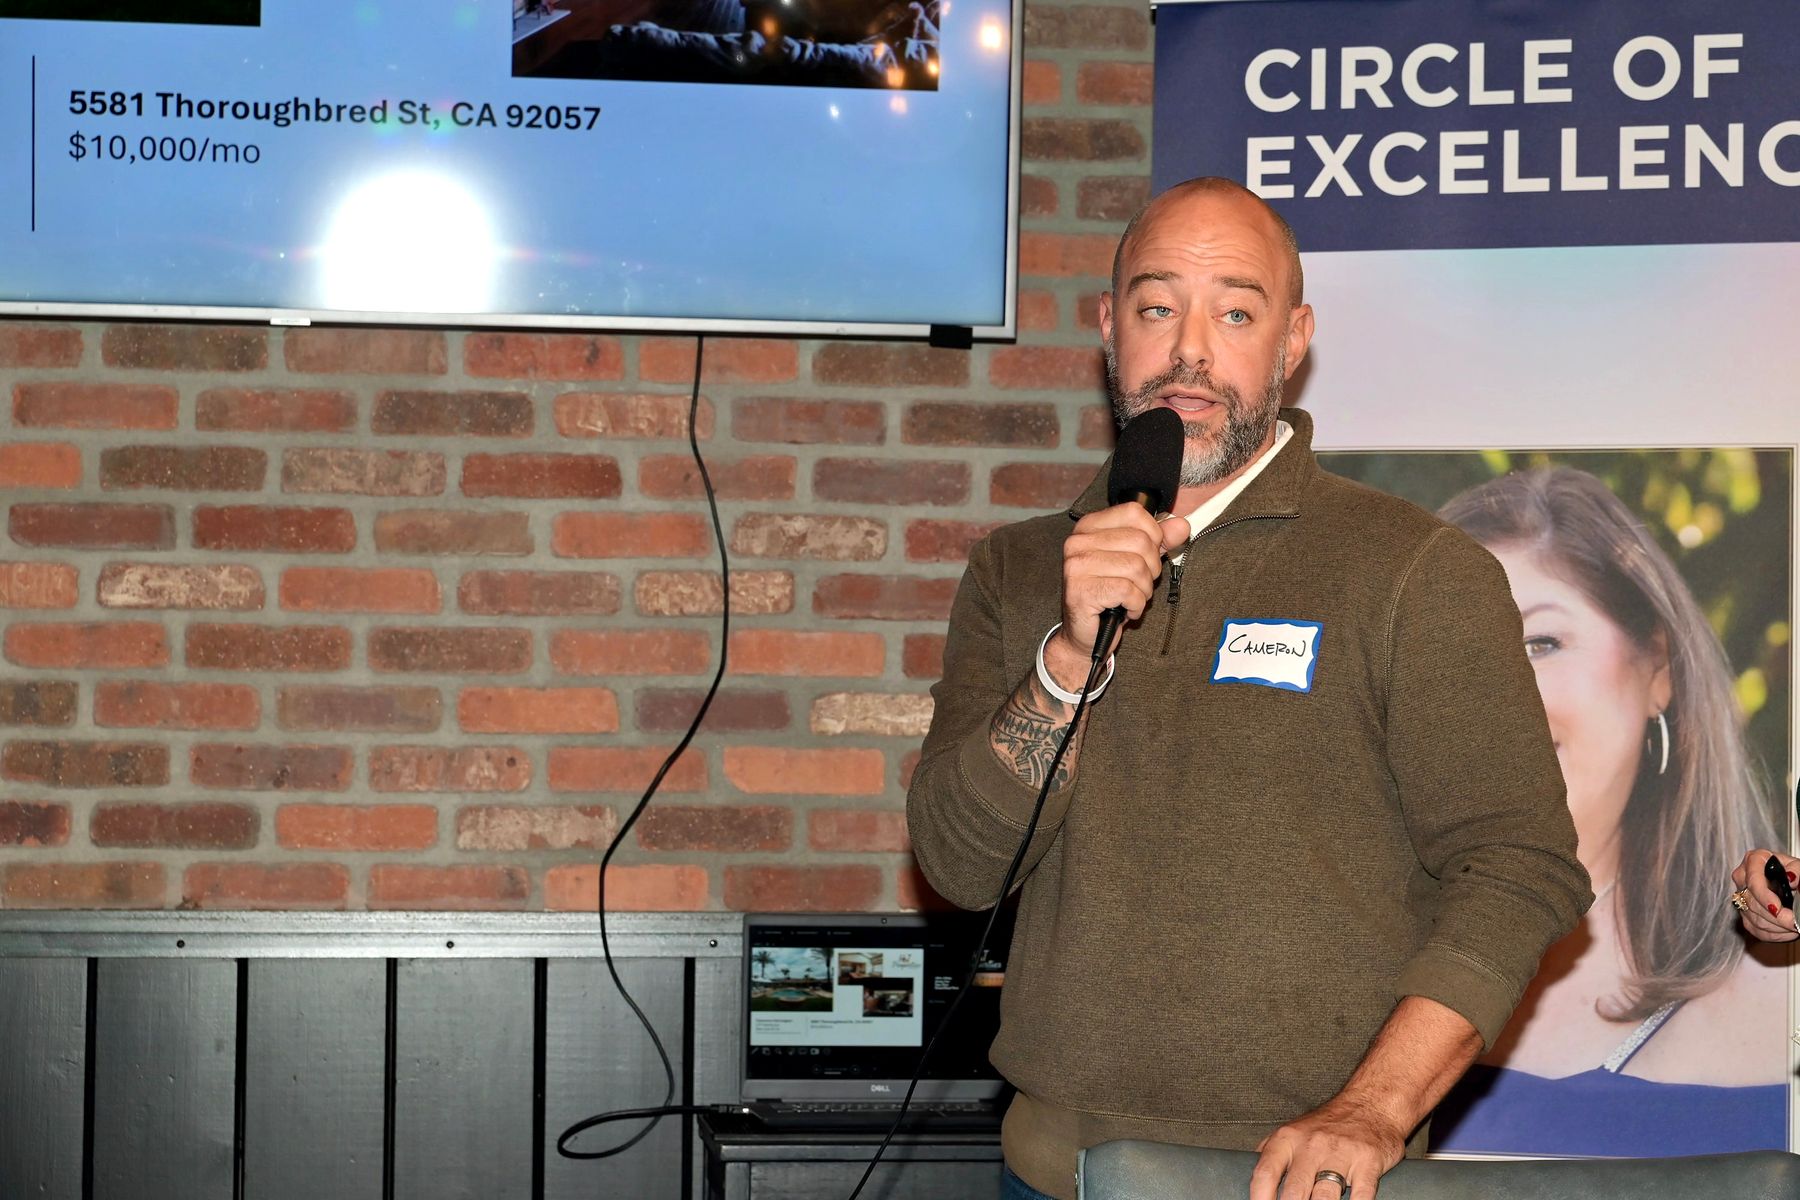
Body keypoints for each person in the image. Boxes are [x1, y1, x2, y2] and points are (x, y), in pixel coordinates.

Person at [904, 177, 1592, 1200]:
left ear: (1292, 339)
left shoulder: (1414, 568)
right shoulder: (1019, 569)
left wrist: (1375, 1110)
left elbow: (1519, 868)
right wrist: (1065, 662)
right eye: (1156, 307)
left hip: (1305, 1180)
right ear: (1109, 328)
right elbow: (960, 867)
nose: (1189, 350)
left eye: (1235, 312)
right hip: (1053, 1174)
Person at [1429, 466, 1787, 1156]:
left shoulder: (1781, 988)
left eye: (1540, 643)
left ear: (1657, 668)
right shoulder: (1329, 970)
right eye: (1452, 653)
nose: (1495, 693)